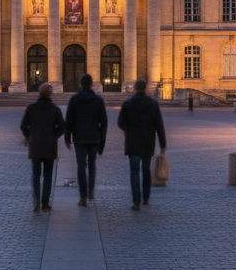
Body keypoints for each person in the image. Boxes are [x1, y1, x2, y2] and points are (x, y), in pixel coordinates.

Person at [117, 79, 166, 211]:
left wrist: (128, 130)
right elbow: (159, 126)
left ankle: (136, 202)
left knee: (134, 172)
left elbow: (120, 123)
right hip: (148, 141)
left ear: (134, 88)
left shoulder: (128, 104)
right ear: (146, 88)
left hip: (132, 141)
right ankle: (146, 198)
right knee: (146, 170)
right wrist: (163, 145)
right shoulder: (153, 104)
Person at [20, 82, 64, 212]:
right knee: (48, 175)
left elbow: (23, 126)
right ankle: (45, 202)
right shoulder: (55, 109)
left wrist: (30, 136)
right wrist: (53, 136)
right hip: (50, 146)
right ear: (50, 94)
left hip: (35, 146)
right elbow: (62, 127)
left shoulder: (31, 108)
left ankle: (36, 202)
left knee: (36, 175)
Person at [64, 73, 107, 206]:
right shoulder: (98, 100)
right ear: (92, 84)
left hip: (79, 138)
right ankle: (91, 191)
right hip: (94, 138)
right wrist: (102, 144)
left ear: (80, 84)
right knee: (92, 165)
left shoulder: (74, 99)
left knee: (81, 167)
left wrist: (67, 138)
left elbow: (69, 120)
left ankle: (83, 197)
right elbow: (104, 123)